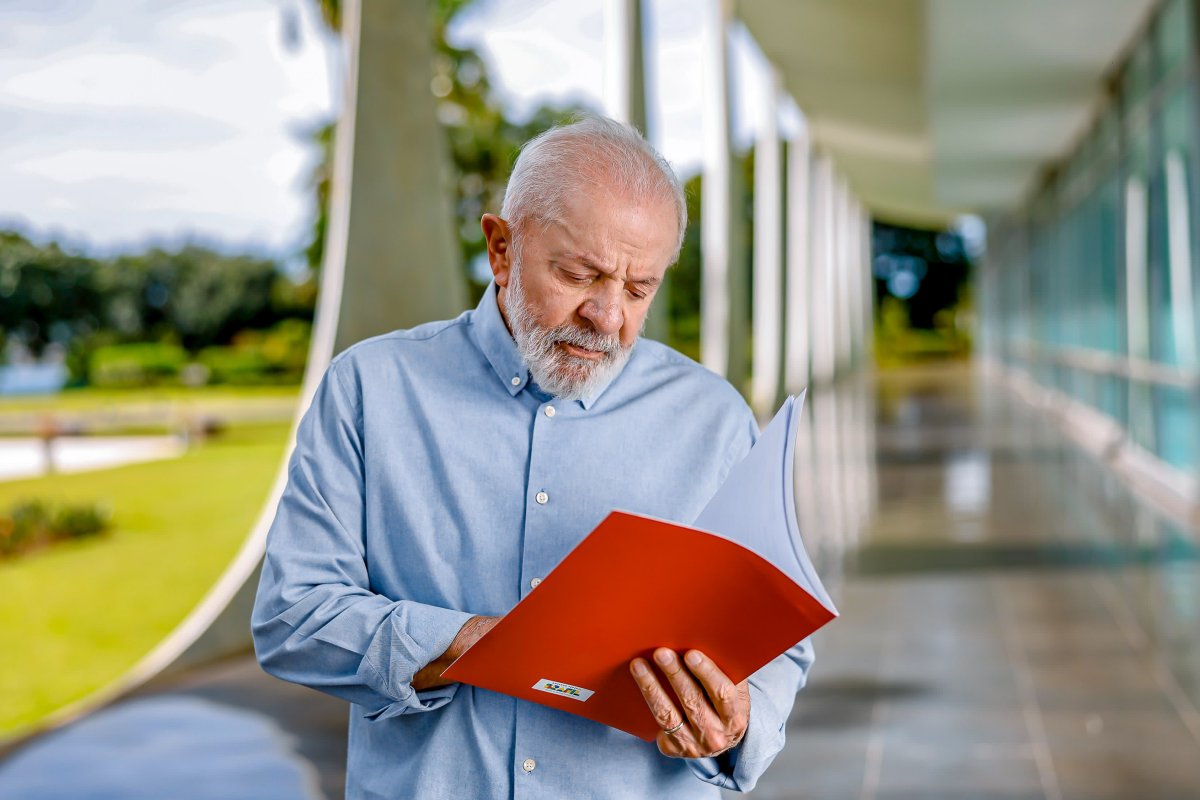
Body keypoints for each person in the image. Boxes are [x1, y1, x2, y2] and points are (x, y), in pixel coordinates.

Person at [251, 115, 812, 799]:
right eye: (580, 274)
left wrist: (740, 718)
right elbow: (293, 616)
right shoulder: (370, 389)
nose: (608, 317)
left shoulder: (713, 418)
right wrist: (478, 644)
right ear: (501, 249)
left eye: (640, 289)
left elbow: (778, 640)